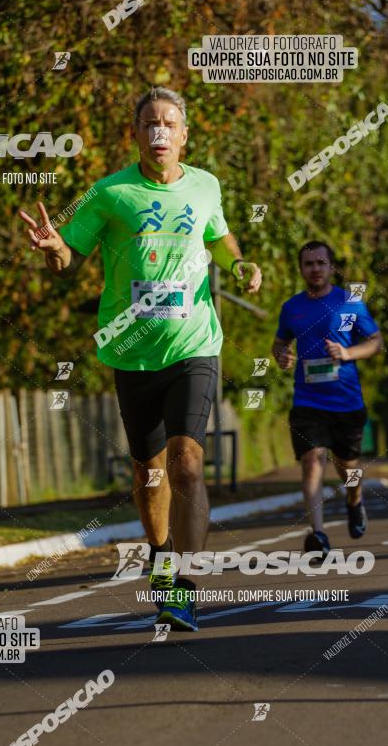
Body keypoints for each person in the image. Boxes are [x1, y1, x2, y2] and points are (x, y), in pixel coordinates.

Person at [19, 86, 261, 631]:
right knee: (150, 474)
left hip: (194, 343)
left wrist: (240, 263)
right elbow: (69, 259)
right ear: (134, 134)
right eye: (149, 123)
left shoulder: (207, 186)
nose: (159, 132)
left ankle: (183, 585)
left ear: (183, 135)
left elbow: (221, 239)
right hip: (130, 351)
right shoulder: (107, 192)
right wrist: (53, 246)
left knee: (188, 466)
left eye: (168, 123)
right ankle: (158, 554)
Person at [272, 241, 382, 557]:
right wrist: (281, 356)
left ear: (331, 267)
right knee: (312, 461)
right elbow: (279, 343)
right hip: (308, 400)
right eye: (309, 264)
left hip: (346, 401)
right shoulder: (292, 307)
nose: (315, 268)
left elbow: (375, 341)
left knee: (348, 468)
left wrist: (348, 352)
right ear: (301, 269)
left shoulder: (350, 303)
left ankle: (354, 500)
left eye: (321, 263)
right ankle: (317, 534)